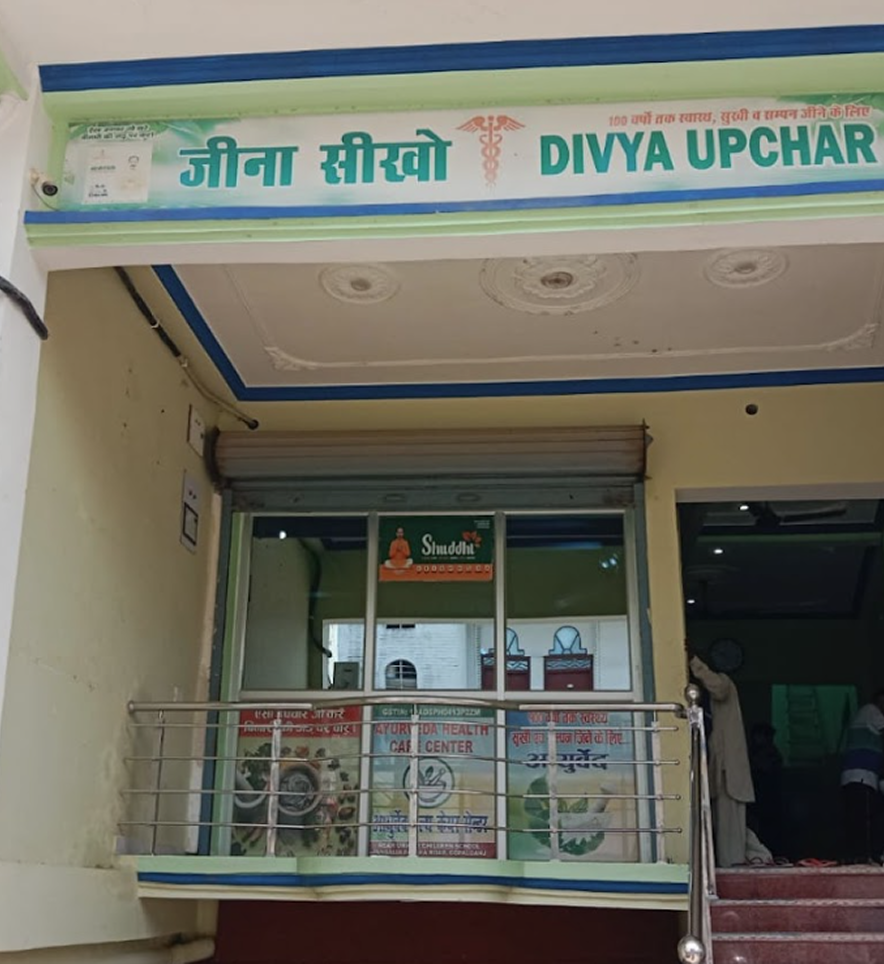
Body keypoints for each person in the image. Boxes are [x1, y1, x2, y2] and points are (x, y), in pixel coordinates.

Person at [690, 653, 757, 867]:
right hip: (711, 771)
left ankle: (734, 869)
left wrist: (694, 663)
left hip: (727, 773)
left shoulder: (724, 684)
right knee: (716, 829)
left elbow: (719, 688)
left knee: (730, 832)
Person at [841, 689, 884, 865]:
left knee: (861, 818)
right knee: (864, 819)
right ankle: (863, 857)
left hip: (862, 776)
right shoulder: (870, 710)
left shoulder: (869, 717)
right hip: (860, 775)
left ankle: (860, 856)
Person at [748, 722, 785, 859]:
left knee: (770, 830)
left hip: (769, 799)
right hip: (757, 799)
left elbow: (768, 769)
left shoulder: (771, 754)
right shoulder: (753, 752)